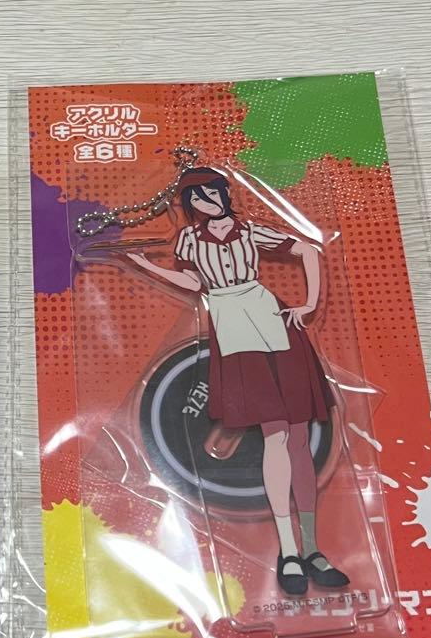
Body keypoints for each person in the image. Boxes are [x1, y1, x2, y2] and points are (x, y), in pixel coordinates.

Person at [125, 167, 348, 597]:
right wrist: (146, 266)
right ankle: (288, 552)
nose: (206, 202)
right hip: (231, 325)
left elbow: (306, 248)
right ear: (189, 205)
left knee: (299, 436)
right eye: (196, 198)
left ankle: (313, 549)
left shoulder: (249, 230)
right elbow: (194, 282)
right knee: (275, 435)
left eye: (211, 193)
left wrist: (308, 303)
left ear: (225, 193)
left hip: (272, 316)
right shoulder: (189, 240)